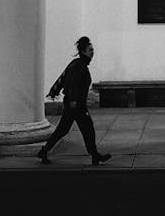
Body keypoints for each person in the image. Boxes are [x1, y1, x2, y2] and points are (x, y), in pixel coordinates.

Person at [37, 36, 111, 166]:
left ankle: (44, 151)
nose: (92, 52)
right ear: (83, 51)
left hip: (75, 104)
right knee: (86, 129)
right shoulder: (79, 66)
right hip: (76, 104)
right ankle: (94, 155)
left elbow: (64, 78)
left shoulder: (78, 64)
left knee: (65, 129)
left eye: (93, 49)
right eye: (90, 49)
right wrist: (73, 101)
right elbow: (71, 84)